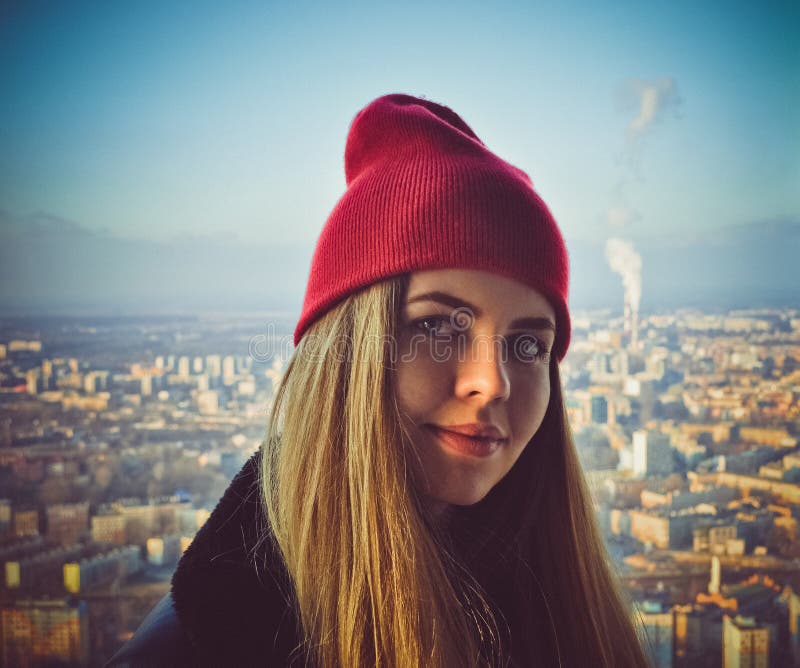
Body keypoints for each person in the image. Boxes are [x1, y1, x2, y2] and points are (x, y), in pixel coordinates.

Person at [107, 93, 650, 667]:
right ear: (344, 355)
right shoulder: (185, 653)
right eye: (437, 326)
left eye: (527, 345)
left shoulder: (566, 613)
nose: (493, 384)